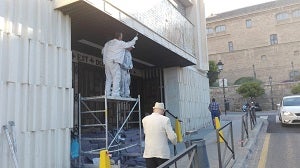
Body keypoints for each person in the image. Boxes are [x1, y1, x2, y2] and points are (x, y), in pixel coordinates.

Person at [102, 32, 138, 97]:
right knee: (116, 78)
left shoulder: (108, 43)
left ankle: (107, 93)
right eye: (121, 36)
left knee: (109, 79)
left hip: (107, 63)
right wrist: (135, 39)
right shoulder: (119, 43)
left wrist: (105, 61)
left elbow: (103, 51)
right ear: (120, 37)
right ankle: (115, 94)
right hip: (114, 62)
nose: (122, 38)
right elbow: (129, 44)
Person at [142, 102, 177, 168]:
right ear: (162, 110)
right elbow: (172, 137)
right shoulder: (165, 120)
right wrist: (175, 141)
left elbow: (146, 133)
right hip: (162, 153)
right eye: (163, 111)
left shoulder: (145, 120)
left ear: (154, 109)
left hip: (149, 153)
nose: (163, 113)